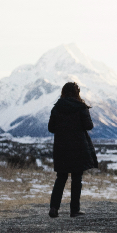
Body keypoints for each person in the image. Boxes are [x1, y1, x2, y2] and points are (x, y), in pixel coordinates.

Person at [47, 82, 98, 218]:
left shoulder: (57, 107)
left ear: (63, 92)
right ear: (77, 93)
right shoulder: (81, 107)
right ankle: (74, 210)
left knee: (61, 178)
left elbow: (51, 128)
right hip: (78, 147)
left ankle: (54, 208)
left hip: (61, 147)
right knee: (77, 178)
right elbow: (88, 126)